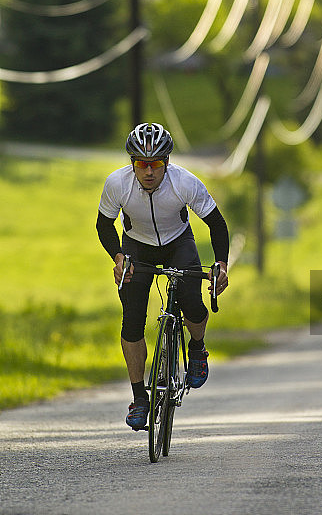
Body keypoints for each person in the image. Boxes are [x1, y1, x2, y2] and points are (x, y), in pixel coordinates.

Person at [96, 122, 229, 431]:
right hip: (136, 248)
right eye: (142, 164)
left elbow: (217, 224)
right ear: (132, 164)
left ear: (167, 162)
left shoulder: (185, 183)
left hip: (178, 245)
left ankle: (197, 348)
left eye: (156, 163)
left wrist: (221, 264)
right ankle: (139, 398)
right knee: (131, 320)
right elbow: (104, 225)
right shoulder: (117, 184)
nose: (149, 171)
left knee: (192, 303)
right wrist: (118, 258)